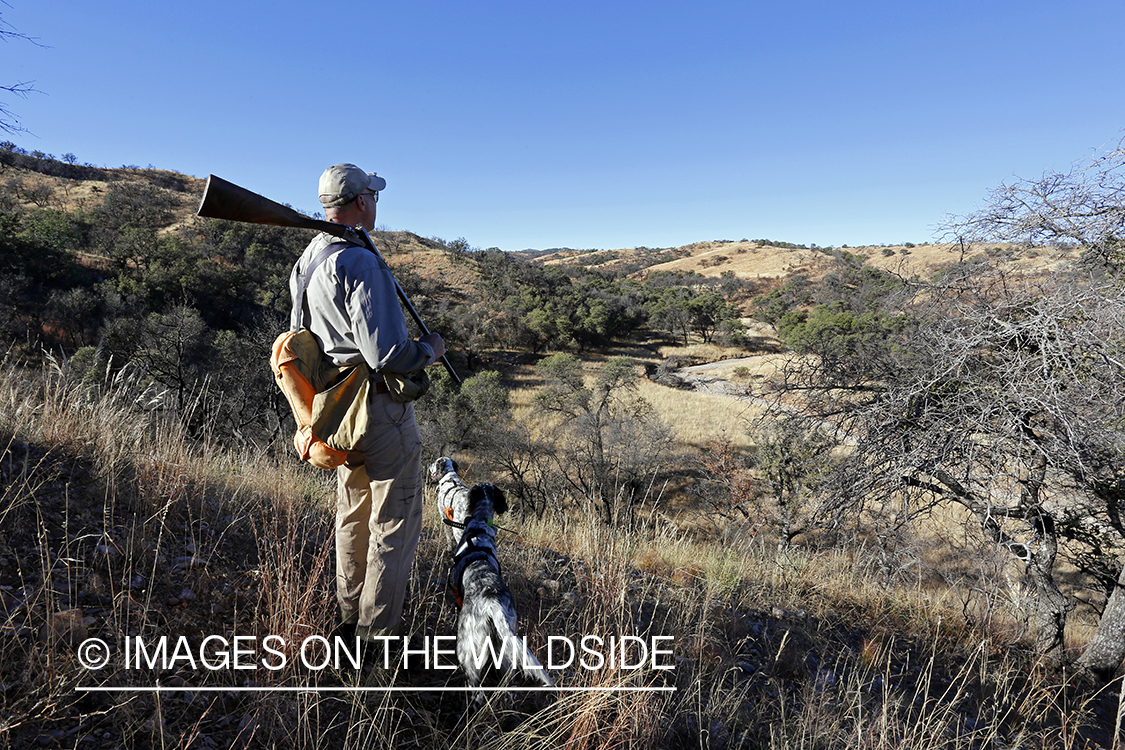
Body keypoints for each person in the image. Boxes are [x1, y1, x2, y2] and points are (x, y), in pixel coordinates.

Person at [289, 163, 446, 641]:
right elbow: (390, 354)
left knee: (352, 517)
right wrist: (430, 351)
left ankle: (346, 620)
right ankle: (375, 645)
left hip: (336, 409)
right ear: (360, 201)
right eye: (373, 195)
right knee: (393, 527)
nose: (376, 202)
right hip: (380, 411)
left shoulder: (308, 259)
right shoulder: (360, 262)